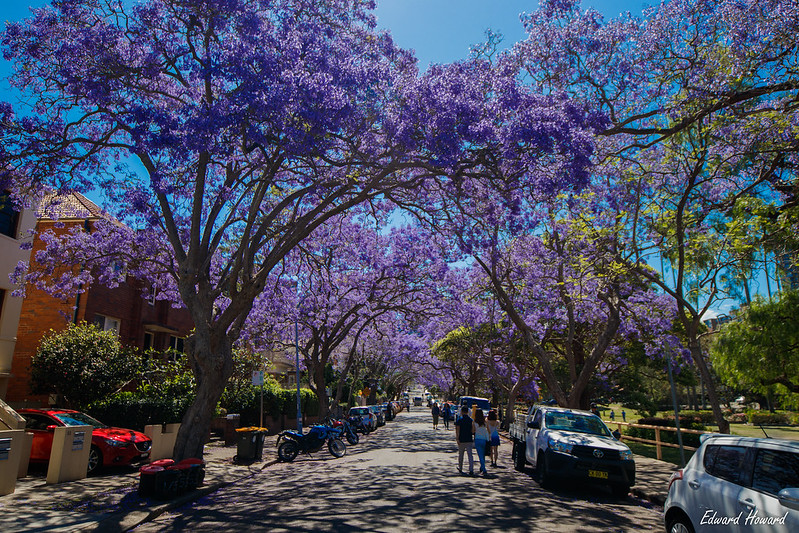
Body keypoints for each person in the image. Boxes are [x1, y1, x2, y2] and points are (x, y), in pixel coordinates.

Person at [455, 406, 474, 476]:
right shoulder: (471, 420)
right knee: (470, 455)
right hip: (469, 439)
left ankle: (460, 467)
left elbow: (457, 430)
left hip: (461, 439)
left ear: (462, 412)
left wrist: (457, 438)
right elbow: (472, 430)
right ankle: (471, 469)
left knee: (461, 455)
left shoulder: (459, 420)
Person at [473, 408, 489, 476]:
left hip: (477, 439)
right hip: (484, 439)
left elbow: (473, 431)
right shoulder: (485, 422)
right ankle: (482, 467)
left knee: (480, 455)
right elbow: (488, 430)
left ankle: (484, 469)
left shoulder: (474, 422)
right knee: (483, 454)